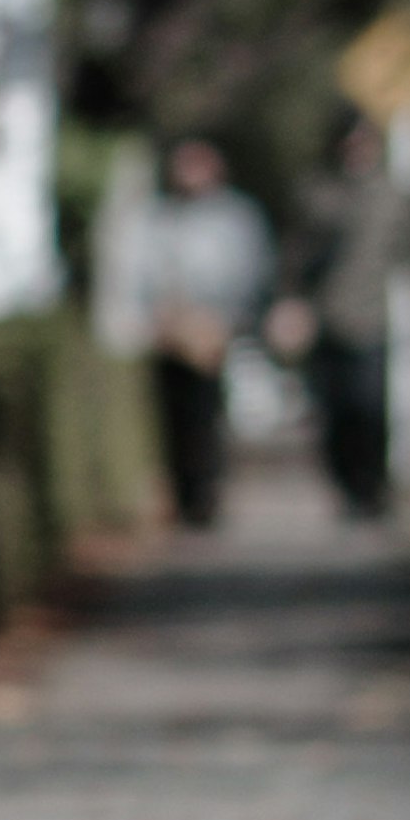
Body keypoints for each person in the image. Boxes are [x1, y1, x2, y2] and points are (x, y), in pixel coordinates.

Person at [133, 141, 268, 529]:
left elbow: (249, 272)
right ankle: (183, 494)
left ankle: (207, 495)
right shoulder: (161, 217)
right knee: (173, 418)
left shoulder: (236, 218)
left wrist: (226, 320)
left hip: (215, 332)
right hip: (170, 333)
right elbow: (145, 273)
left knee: (207, 417)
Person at [278, 110, 402, 520]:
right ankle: (347, 490)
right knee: (333, 412)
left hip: (371, 319)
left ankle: (373, 488)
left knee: (369, 407)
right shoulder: (318, 192)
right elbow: (296, 256)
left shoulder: (390, 194)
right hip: (326, 319)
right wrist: (291, 304)